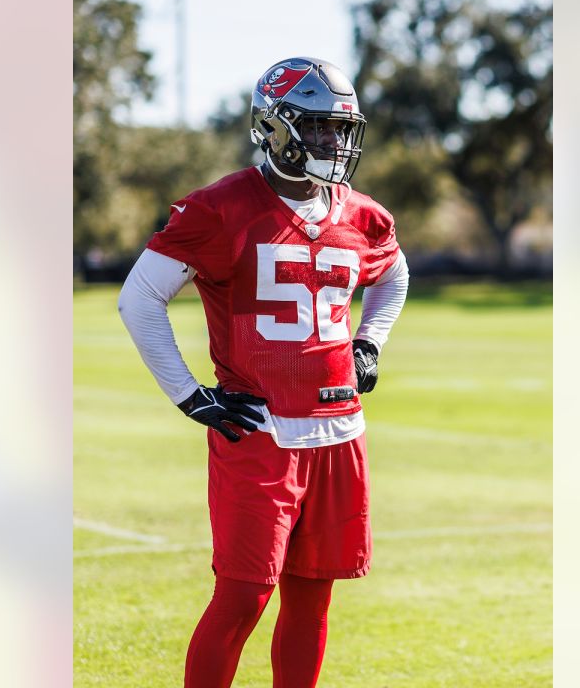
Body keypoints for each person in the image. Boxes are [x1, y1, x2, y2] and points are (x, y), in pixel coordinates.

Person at [118, 56, 409, 688]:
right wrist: (190, 396)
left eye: (341, 129)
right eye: (319, 127)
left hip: (339, 431)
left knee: (313, 597)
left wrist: (370, 341)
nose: (334, 143)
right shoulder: (219, 208)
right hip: (262, 432)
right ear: (275, 128)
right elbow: (139, 298)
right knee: (244, 596)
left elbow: (393, 274)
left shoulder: (361, 213)